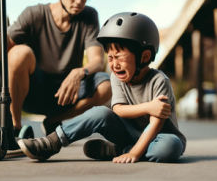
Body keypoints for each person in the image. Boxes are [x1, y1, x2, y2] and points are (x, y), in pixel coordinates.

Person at [17, 12, 186, 163]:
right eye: (110, 58)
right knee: (100, 112)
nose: (114, 64)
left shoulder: (159, 81)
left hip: (158, 137)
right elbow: (118, 110)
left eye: (119, 57)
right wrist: (149, 107)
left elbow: (155, 124)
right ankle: (52, 141)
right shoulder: (117, 78)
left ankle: (117, 150)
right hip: (128, 134)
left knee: (170, 147)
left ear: (145, 56)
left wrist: (134, 153)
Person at [0, 0, 111, 135]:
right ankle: (14, 127)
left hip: (67, 93)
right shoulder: (35, 14)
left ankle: (54, 122)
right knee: (19, 53)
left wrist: (79, 72)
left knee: (106, 86)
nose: (79, 1)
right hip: (32, 91)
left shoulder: (89, 16)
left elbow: (97, 61)